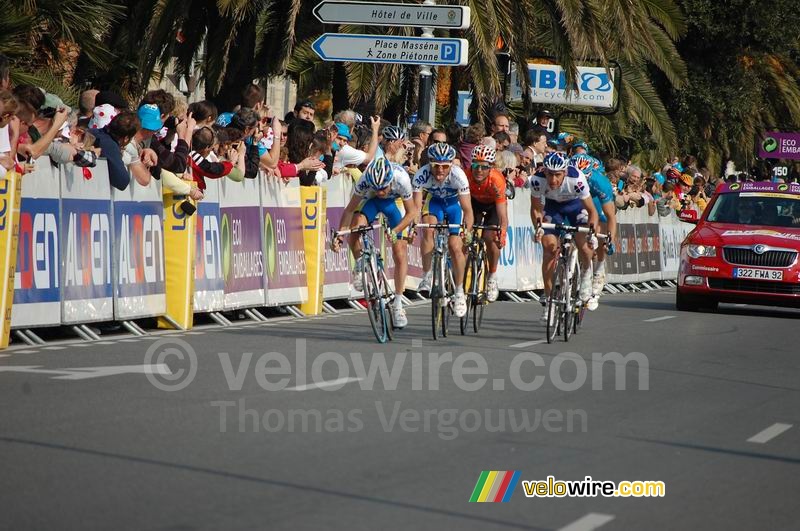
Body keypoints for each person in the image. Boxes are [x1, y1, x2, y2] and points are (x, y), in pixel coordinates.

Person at [334, 158, 418, 328]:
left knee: (399, 252)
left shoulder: (401, 178)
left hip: (394, 203)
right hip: (370, 202)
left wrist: (395, 231)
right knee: (356, 227)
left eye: (383, 187)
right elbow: (350, 209)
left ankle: (398, 304)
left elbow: (412, 212)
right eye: (377, 188)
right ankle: (360, 264)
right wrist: (340, 234)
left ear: (390, 181)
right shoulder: (365, 180)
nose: (380, 191)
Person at [530, 152, 600, 323]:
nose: (553, 180)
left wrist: (592, 232)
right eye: (549, 174)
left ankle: (585, 274)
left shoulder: (576, 179)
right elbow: (536, 209)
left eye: (557, 175)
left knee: (583, 245)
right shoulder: (537, 180)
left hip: (576, 208)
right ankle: (549, 302)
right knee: (549, 250)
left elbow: (592, 211)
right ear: (544, 171)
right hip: (553, 209)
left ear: (565, 172)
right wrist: (538, 227)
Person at [413, 142, 474, 318]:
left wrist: (467, 231)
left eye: (445, 167)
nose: (440, 171)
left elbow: (468, 210)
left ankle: (460, 292)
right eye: (436, 166)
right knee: (428, 229)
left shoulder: (458, 176)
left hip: (454, 207)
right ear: (430, 164)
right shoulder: (421, 175)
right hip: (436, 204)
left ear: (451, 165)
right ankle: (427, 276)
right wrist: (413, 226)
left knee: (455, 245)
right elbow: (416, 208)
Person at [570, 153, 617, 310]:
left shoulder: (600, 182)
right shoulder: (567, 176)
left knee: (599, 233)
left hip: (596, 202)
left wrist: (610, 239)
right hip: (575, 200)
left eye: (585, 176)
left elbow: (611, 217)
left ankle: (598, 269)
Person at [463, 145, 508, 302]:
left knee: (491, 237)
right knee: (465, 234)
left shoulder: (497, 181)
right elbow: (463, 206)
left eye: (484, 167)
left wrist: (502, 233)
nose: (479, 170)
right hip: (473, 204)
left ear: (491, 167)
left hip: (493, 206)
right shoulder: (466, 176)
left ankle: (492, 275)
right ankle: (460, 280)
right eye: (476, 165)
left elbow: (502, 214)